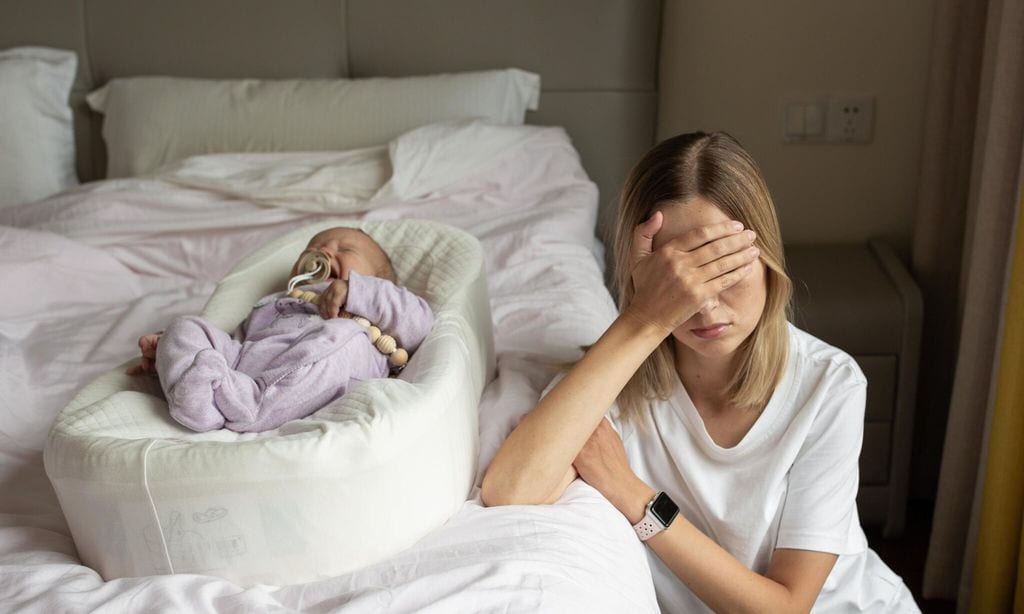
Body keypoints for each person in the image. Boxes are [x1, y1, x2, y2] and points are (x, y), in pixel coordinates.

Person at [481, 132, 919, 612]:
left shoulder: (827, 384)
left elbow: (788, 607)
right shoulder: (613, 377)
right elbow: (511, 490)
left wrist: (632, 493)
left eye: (724, 269)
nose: (705, 305)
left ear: (767, 256)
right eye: (679, 277)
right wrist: (646, 317)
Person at [127, 227, 434, 433]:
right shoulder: (278, 301)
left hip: (317, 370)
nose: (325, 252)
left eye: (345, 249)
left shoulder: (380, 304)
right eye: (314, 248)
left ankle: (245, 406)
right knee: (185, 326)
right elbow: (240, 339)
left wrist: (357, 291)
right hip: (243, 365)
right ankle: (196, 394)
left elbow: (420, 322)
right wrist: (171, 350)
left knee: (343, 340)